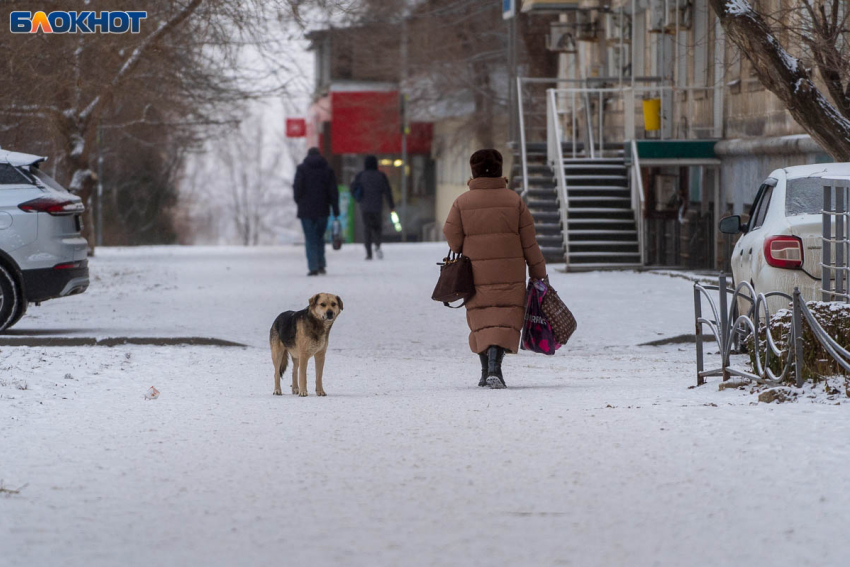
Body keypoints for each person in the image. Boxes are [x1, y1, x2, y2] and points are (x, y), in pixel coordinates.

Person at [442, 149, 547, 389]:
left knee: (482, 319)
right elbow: (529, 241)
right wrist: (539, 272)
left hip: (475, 272)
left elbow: (452, 236)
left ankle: (484, 372)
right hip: (511, 272)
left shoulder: (462, 202)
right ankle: (495, 368)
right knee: (505, 318)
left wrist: (462, 244)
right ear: (500, 170)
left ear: (474, 172)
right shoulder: (514, 200)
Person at [294, 147, 339, 276]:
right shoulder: (327, 170)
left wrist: (299, 202)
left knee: (310, 238)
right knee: (319, 237)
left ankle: (313, 267)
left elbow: (297, 188)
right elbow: (333, 191)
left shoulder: (301, 169)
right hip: (322, 209)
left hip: (306, 210)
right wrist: (335, 209)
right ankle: (321, 265)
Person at [351, 155, 395, 260]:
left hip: (365, 207)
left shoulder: (361, 175)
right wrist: (391, 205)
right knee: (377, 227)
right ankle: (377, 244)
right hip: (377, 206)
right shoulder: (381, 176)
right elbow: (387, 191)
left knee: (367, 229)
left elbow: (352, 188)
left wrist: (358, 198)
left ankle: (368, 253)